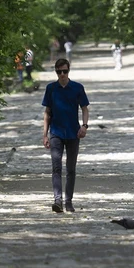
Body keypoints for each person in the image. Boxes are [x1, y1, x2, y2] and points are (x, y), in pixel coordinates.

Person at [41, 58, 89, 213]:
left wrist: (84, 126)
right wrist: (45, 134)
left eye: (65, 71)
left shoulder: (77, 88)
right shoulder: (51, 88)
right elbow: (47, 113)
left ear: (69, 71)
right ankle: (57, 201)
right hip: (56, 133)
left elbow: (84, 108)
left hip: (73, 133)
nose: (62, 74)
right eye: (59, 71)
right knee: (56, 167)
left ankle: (68, 201)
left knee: (71, 169)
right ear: (55, 72)